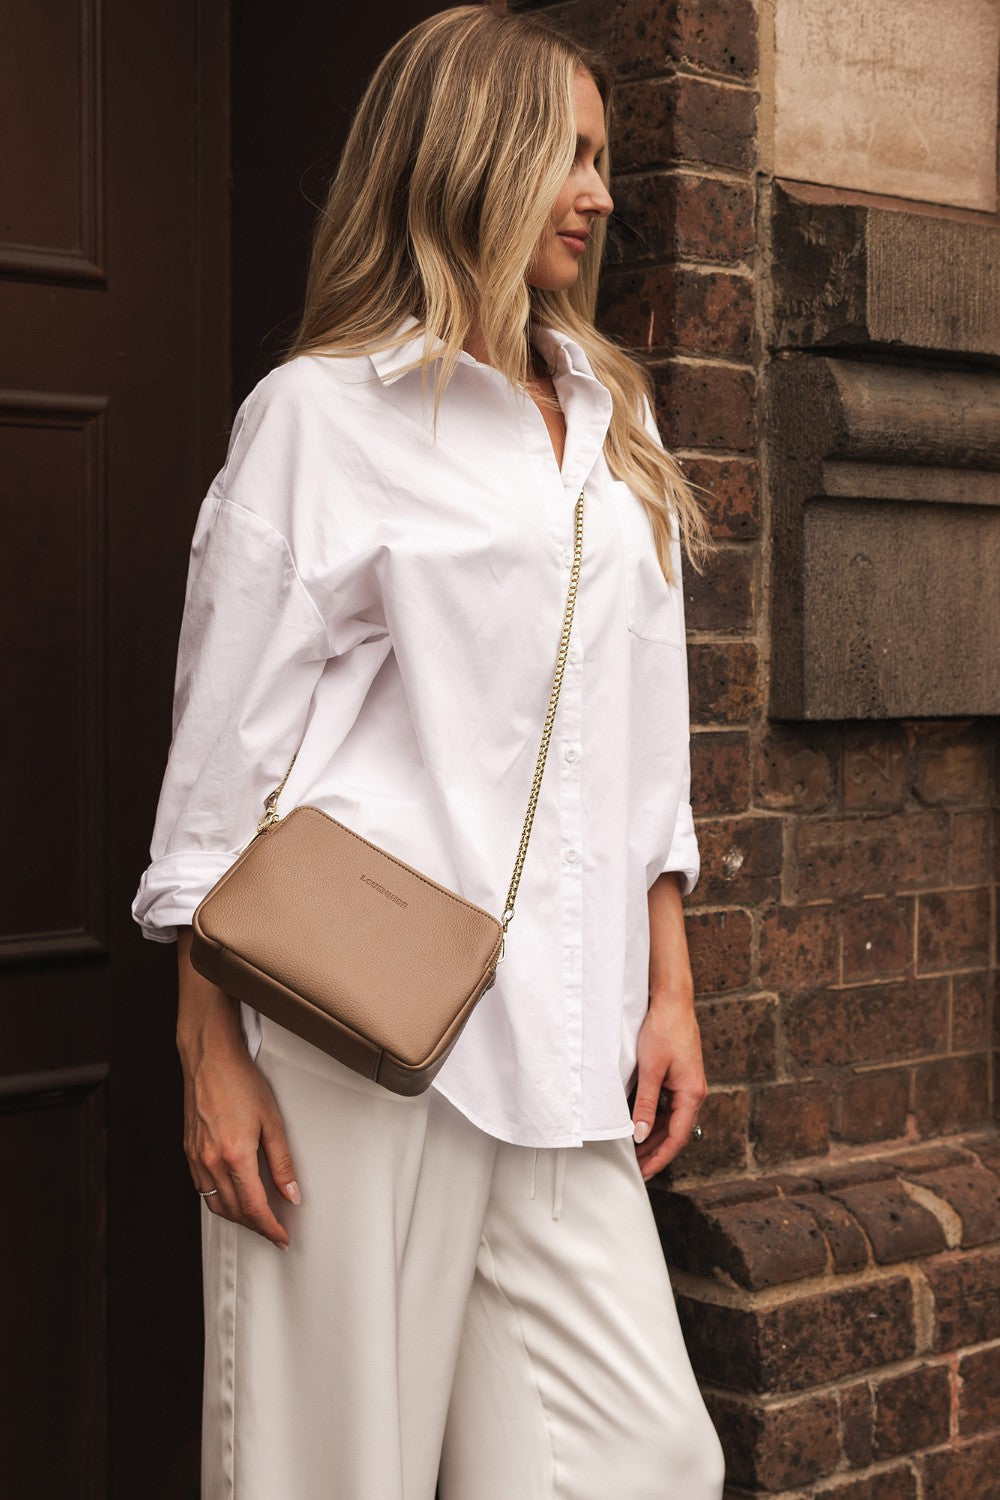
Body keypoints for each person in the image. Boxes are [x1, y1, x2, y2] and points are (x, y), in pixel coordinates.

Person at [133, 5, 726, 1496]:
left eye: (603, 159)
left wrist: (670, 983)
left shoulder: (609, 426)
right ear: (465, 157)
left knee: (643, 1457)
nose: (599, 193)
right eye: (565, 155)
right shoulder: (323, 419)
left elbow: (646, 733)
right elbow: (220, 773)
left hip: (560, 1039)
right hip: (352, 1025)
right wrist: (210, 1054)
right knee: (329, 1470)